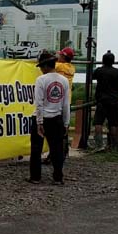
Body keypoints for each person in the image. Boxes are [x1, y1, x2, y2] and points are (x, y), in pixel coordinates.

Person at [29, 52, 70, 185]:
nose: (40, 69)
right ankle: (58, 177)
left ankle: (35, 177)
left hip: (41, 118)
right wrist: (66, 122)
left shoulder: (41, 80)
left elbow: (39, 103)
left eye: (41, 66)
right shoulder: (64, 80)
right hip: (57, 119)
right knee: (57, 149)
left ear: (46, 66)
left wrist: (39, 122)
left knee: (36, 149)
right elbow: (65, 104)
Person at [92, 51, 118, 149]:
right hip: (114, 101)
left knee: (98, 122)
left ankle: (99, 145)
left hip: (101, 101)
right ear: (113, 61)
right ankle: (113, 145)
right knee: (113, 123)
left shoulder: (99, 71)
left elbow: (92, 78)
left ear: (102, 61)